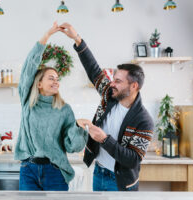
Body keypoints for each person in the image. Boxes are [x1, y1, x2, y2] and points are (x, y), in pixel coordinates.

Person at [60, 23, 154, 191]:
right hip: (99, 173)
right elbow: (94, 70)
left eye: (118, 81)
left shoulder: (144, 120)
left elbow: (133, 160)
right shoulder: (110, 95)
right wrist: (77, 39)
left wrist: (104, 139)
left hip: (120, 182)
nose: (112, 83)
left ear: (133, 86)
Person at [14, 22, 88, 191]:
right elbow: (28, 69)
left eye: (57, 79)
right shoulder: (27, 101)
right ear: (39, 84)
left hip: (54, 171)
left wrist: (77, 127)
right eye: (51, 78)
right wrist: (46, 36)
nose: (56, 81)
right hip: (28, 170)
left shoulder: (64, 109)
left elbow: (72, 147)